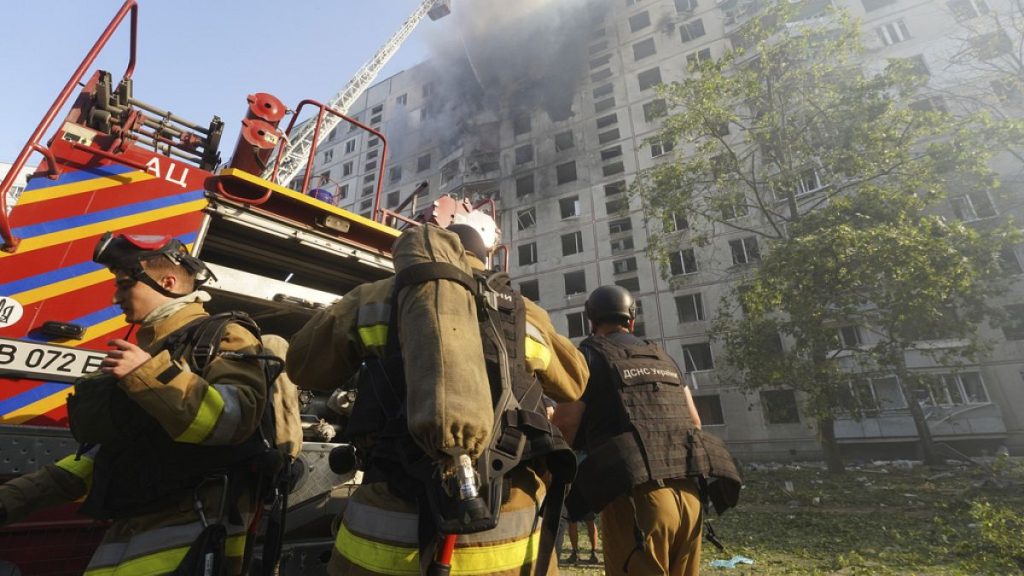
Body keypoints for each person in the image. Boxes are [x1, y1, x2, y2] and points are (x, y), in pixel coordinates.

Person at [287, 214, 589, 576]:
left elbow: (303, 365)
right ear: (485, 256)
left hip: (384, 533)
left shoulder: (374, 297)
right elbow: (575, 381)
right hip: (508, 530)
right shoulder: (524, 312)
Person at [0, 232, 273, 575]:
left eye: (126, 285)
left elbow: (235, 420)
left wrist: (147, 373)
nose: (116, 297)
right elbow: (100, 458)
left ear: (169, 283)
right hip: (129, 528)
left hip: (194, 527)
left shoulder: (223, 335)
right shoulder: (152, 352)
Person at [552, 285, 704, 576]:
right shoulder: (663, 358)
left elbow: (564, 425)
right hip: (690, 498)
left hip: (639, 502)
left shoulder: (590, 356)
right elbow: (695, 423)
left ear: (591, 321)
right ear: (632, 320)